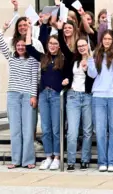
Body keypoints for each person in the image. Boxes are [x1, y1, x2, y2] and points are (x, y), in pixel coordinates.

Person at [0, 14, 39, 169]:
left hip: (27, 96)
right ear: (15, 47)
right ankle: (16, 160)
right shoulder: (11, 57)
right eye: (18, 45)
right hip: (13, 95)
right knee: (15, 130)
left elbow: (33, 78)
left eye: (23, 45)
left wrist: (33, 95)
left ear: (26, 46)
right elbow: (1, 43)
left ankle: (28, 160)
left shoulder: (32, 59)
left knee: (28, 129)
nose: (20, 47)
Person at [26, 16, 67, 171]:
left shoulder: (63, 59)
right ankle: (48, 156)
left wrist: (66, 81)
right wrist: (30, 28)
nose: (52, 46)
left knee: (56, 128)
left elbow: (68, 74)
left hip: (57, 95)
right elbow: (29, 47)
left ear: (59, 46)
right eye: (50, 43)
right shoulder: (43, 58)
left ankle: (57, 156)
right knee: (46, 128)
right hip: (44, 95)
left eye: (55, 44)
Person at [56, 21, 95, 172]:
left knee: (87, 130)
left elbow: (94, 78)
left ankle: (85, 160)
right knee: (72, 131)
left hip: (87, 97)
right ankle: (70, 161)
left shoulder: (93, 60)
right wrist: (60, 30)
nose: (81, 48)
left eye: (83, 45)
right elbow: (63, 46)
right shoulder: (73, 58)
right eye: (79, 46)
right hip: (72, 96)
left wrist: (88, 68)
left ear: (88, 46)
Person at [87, 29, 113, 172]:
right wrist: (89, 58)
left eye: (110, 39)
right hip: (98, 95)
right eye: (105, 39)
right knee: (101, 130)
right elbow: (91, 74)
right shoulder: (96, 54)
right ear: (101, 40)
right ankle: (102, 161)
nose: (107, 41)